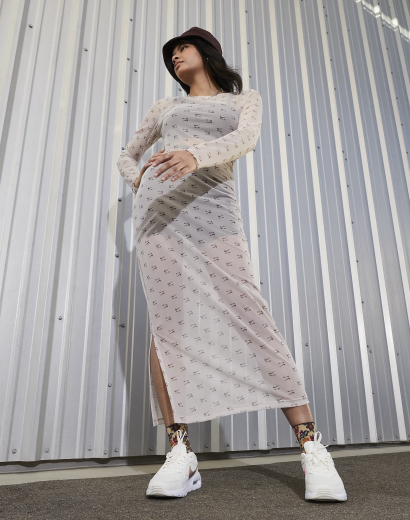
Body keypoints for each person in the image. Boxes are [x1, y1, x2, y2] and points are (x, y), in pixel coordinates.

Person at [117, 27, 347, 502]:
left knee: (251, 314)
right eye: (171, 54)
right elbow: (128, 154)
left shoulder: (244, 100)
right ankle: (180, 453)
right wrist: (138, 179)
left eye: (182, 47)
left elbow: (246, 138)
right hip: (159, 218)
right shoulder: (165, 107)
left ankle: (311, 447)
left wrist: (195, 154)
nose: (175, 56)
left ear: (207, 52)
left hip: (213, 209)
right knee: (168, 324)